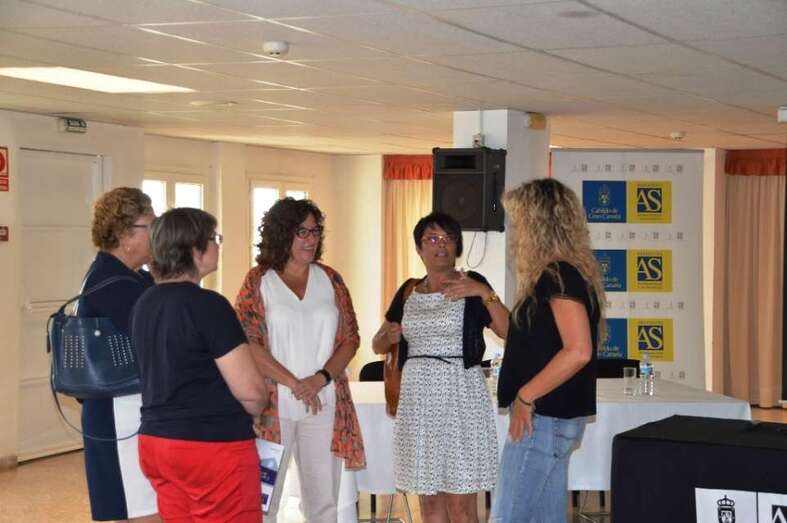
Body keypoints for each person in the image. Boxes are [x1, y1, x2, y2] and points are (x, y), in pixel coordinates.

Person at [131, 208, 269, 522]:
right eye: (214, 238)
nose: (218, 245)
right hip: (210, 446)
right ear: (195, 250)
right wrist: (258, 409)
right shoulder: (209, 305)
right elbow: (251, 391)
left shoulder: (144, 303)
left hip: (157, 442)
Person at [235, 197, 366, 523]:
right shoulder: (258, 280)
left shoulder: (331, 279)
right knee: (264, 502)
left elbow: (350, 339)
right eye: (301, 232)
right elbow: (248, 342)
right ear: (282, 234)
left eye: (315, 231)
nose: (311, 239)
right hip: (271, 409)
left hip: (323, 405)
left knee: (323, 504)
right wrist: (295, 383)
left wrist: (318, 380)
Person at [373, 212, 509, 523]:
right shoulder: (408, 291)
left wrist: (483, 293)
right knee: (430, 502)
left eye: (448, 239)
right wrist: (387, 336)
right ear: (419, 248)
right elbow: (378, 345)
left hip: (460, 397)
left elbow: (508, 331)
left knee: (461, 502)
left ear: (457, 246)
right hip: (418, 402)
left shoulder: (472, 283)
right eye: (432, 239)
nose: (441, 245)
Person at [490, 178, 605, 523]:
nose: (516, 232)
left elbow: (578, 351)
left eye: (519, 221)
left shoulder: (559, 276)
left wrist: (526, 397)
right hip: (550, 418)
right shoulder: (562, 275)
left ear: (537, 224)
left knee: (507, 517)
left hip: (543, 418)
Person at [78, 187, 159, 523]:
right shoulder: (112, 282)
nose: (157, 235)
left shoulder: (134, 277)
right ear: (126, 235)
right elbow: (161, 335)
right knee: (140, 511)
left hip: (129, 407)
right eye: (151, 226)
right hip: (117, 413)